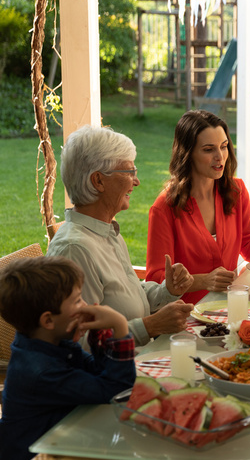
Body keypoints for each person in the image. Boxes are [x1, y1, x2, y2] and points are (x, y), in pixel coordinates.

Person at [48, 125, 195, 346]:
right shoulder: (74, 249)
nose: (136, 181)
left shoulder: (106, 231)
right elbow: (80, 343)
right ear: (98, 181)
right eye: (129, 173)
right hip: (112, 373)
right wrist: (150, 326)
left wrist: (167, 291)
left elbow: (127, 298)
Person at [146, 110, 250, 304]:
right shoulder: (164, 208)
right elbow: (155, 279)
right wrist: (202, 281)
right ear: (188, 154)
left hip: (228, 308)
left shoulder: (235, 191)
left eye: (224, 146)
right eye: (208, 149)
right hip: (184, 315)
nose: (220, 156)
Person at [0, 256, 136, 460]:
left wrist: (97, 333)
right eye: (78, 300)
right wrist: (120, 326)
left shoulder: (52, 343)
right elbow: (117, 392)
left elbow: (100, 374)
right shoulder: (41, 371)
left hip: (68, 444)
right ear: (48, 320)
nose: (86, 305)